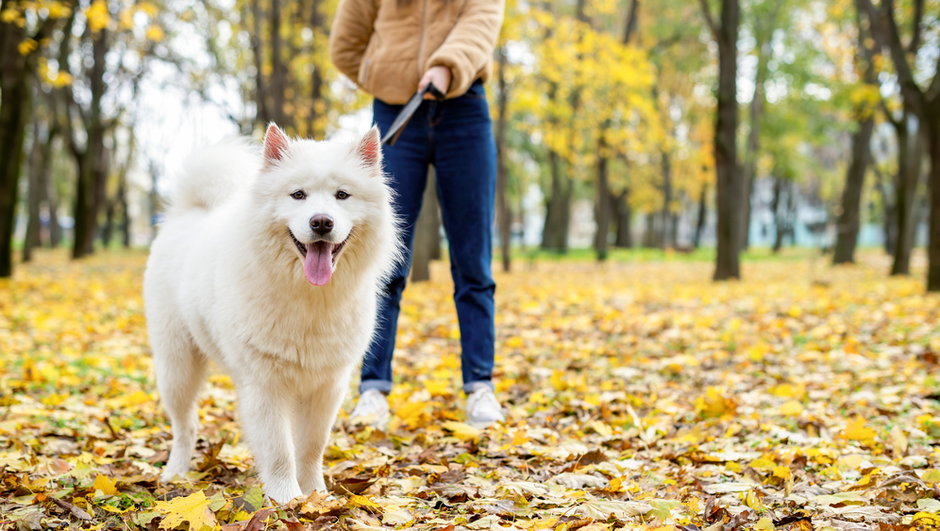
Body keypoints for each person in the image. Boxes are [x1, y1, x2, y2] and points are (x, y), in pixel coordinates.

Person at [329, 0, 506, 428]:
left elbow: (482, 22)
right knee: (383, 263)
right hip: (397, 111)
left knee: (473, 263)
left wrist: (447, 66)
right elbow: (345, 45)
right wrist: (386, 74)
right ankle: (372, 389)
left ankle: (480, 386)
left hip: (464, 110)